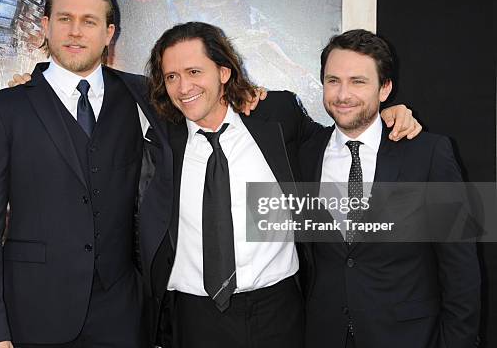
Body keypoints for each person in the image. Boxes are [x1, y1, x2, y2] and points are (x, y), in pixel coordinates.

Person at [142, 22, 421, 347]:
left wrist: (387, 114)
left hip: (280, 310)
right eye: (171, 76)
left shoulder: (276, 114)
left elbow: (338, 142)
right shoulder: (162, 138)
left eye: (193, 71)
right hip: (194, 317)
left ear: (223, 72)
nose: (183, 86)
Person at [0, 0, 174, 348]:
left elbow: (207, 104)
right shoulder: (2, 110)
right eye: (64, 19)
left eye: (89, 21)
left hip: (123, 317)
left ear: (109, 33)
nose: (76, 32)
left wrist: (253, 97)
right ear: (45, 26)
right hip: (32, 316)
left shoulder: (145, 96)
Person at [297, 29, 481, 348]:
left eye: (358, 81)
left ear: (385, 89)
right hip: (323, 334)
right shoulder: (305, 153)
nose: (343, 94)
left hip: (408, 337)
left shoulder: (428, 154)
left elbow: (461, 270)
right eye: (333, 80)